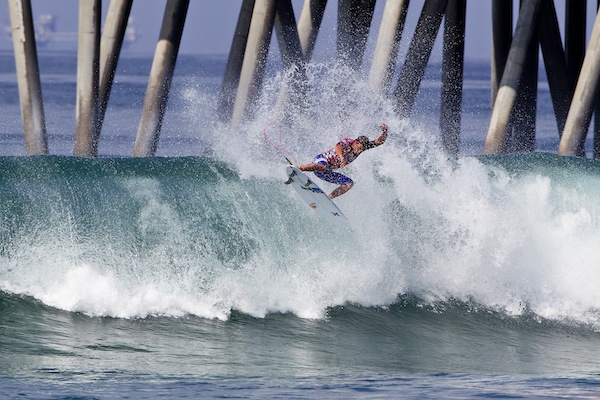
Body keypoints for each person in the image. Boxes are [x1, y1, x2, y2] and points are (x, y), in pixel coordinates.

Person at [299, 122, 388, 199]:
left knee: (349, 184)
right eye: (359, 148)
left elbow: (378, 142)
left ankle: (328, 198)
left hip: (325, 171)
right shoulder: (349, 142)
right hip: (321, 160)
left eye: (362, 149)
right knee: (322, 166)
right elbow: (338, 146)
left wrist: (385, 132)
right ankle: (300, 168)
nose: (360, 150)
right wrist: (342, 158)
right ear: (356, 143)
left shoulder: (362, 147)